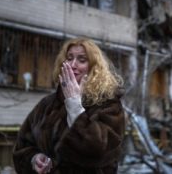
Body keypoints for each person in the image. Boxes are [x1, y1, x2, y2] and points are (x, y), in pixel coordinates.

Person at [13, 38, 126, 174]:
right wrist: (34, 158)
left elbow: (99, 150)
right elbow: (22, 145)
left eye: (82, 60)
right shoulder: (47, 104)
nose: (73, 65)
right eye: (69, 58)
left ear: (94, 67)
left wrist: (74, 105)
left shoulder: (108, 104)